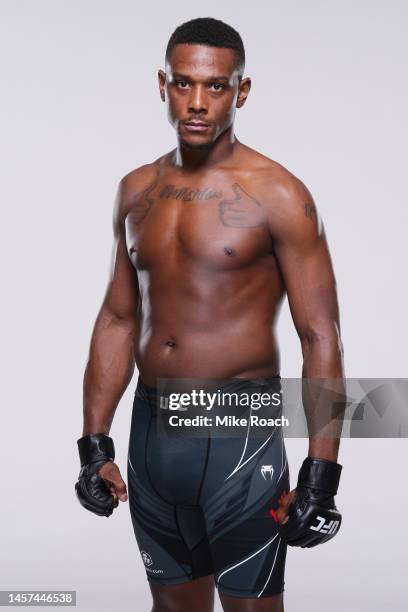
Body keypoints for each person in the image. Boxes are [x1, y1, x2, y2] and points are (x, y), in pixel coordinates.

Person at [75, 17, 345, 612]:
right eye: (184, 84)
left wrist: (322, 473)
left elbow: (320, 335)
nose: (197, 102)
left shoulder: (279, 194)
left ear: (241, 91)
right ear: (163, 85)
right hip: (151, 435)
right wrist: (95, 444)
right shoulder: (134, 190)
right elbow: (119, 319)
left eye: (216, 86)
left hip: (238, 437)